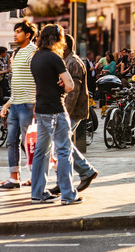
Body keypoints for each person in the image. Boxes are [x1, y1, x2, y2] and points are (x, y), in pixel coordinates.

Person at [29, 24, 79, 205]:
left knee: (41, 153)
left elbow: (40, 84)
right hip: (56, 110)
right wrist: (62, 86)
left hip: (41, 109)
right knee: (64, 151)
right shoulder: (54, 58)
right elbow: (70, 84)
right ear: (57, 38)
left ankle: (38, 193)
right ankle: (68, 195)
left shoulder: (36, 57)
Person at [48, 34, 99, 198]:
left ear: (65, 45)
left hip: (72, 111)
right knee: (61, 146)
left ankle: (86, 171)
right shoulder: (67, 61)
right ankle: (63, 182)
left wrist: (63, 113)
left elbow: (73, 93)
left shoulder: (74, 62)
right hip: (68, 110)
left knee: (61, 145)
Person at [0, 21, 38, 190]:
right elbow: (16, 82)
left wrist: (37, 105)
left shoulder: (33, 52)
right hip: (15, 104)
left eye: (18, 32)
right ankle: (14, 178)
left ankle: (35, 176)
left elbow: (38, 80)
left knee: (28, 143)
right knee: (11, 142)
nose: (15, 34)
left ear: (28, 35)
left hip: (28, 104)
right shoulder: (17, 52)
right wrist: (7, 104)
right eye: (15, 32)